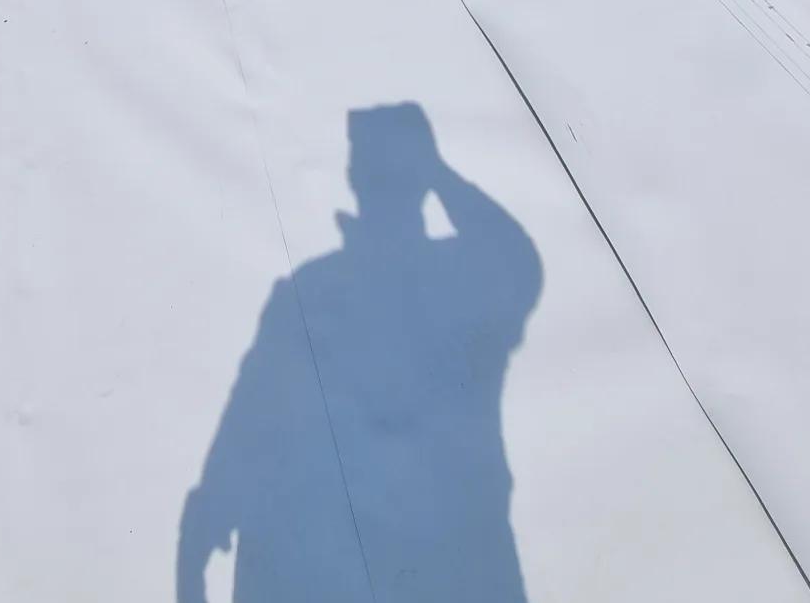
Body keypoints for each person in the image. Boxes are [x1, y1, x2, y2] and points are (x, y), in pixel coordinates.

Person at [177, 103, 541, 602]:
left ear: (352, 177)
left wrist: (205, 526)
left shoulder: (319, 290)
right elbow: (516, 255)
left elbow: (249, 422)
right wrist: (435, 171)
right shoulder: (460, 274)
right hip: (428, 566)